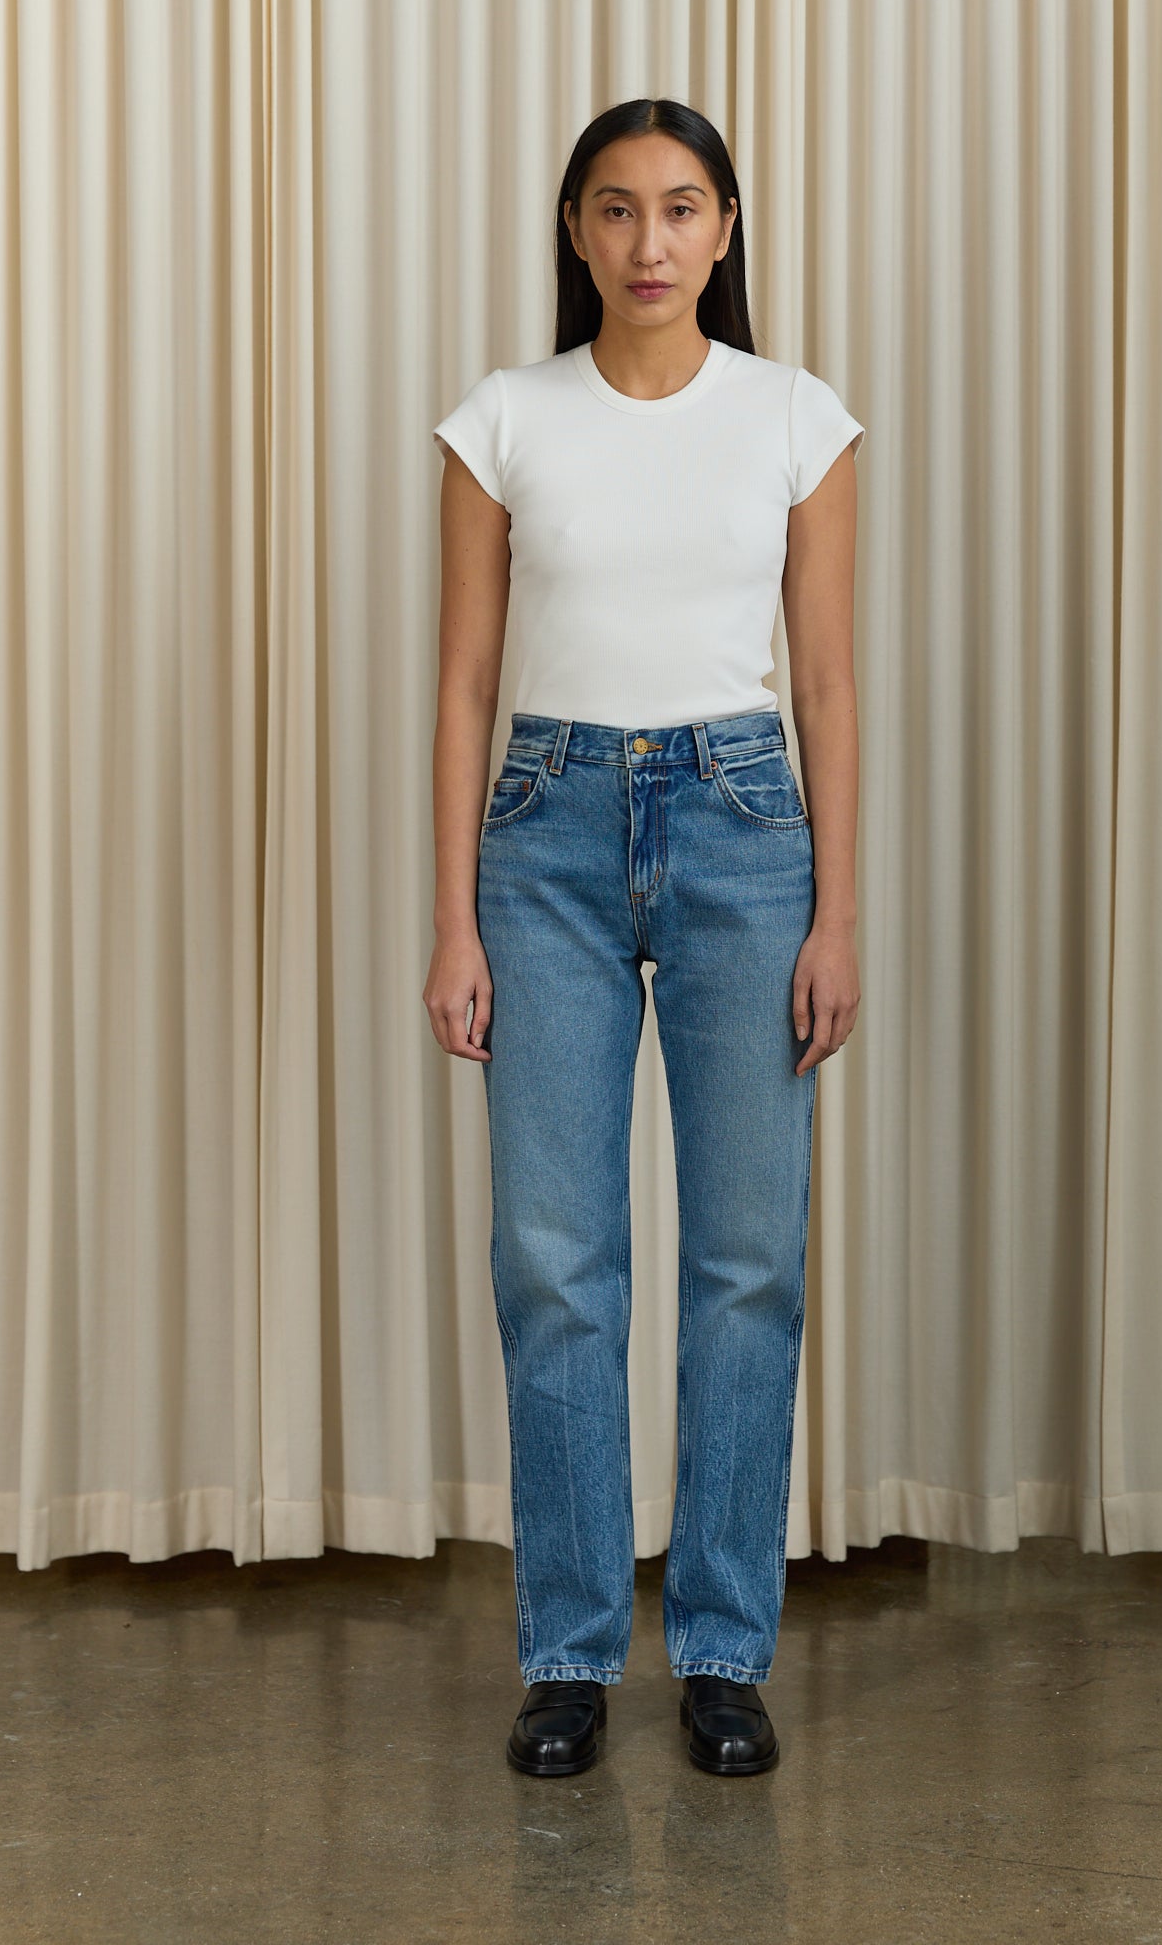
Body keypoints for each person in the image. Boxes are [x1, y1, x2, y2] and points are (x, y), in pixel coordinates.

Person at [426, 97, 863, 1778]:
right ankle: (568, 1654)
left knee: (748, 1261)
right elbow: (467, 680)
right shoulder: (503, 419)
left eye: (681, 209)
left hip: (745, 833)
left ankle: (724, 1654)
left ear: (726, 230)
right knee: (554, 1262)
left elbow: (824, 682)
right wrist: (453, 919)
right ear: (574, 231)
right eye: (615, 209)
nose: (649, 241)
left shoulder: (795, 418)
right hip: (541, 837)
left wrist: (836, 912)